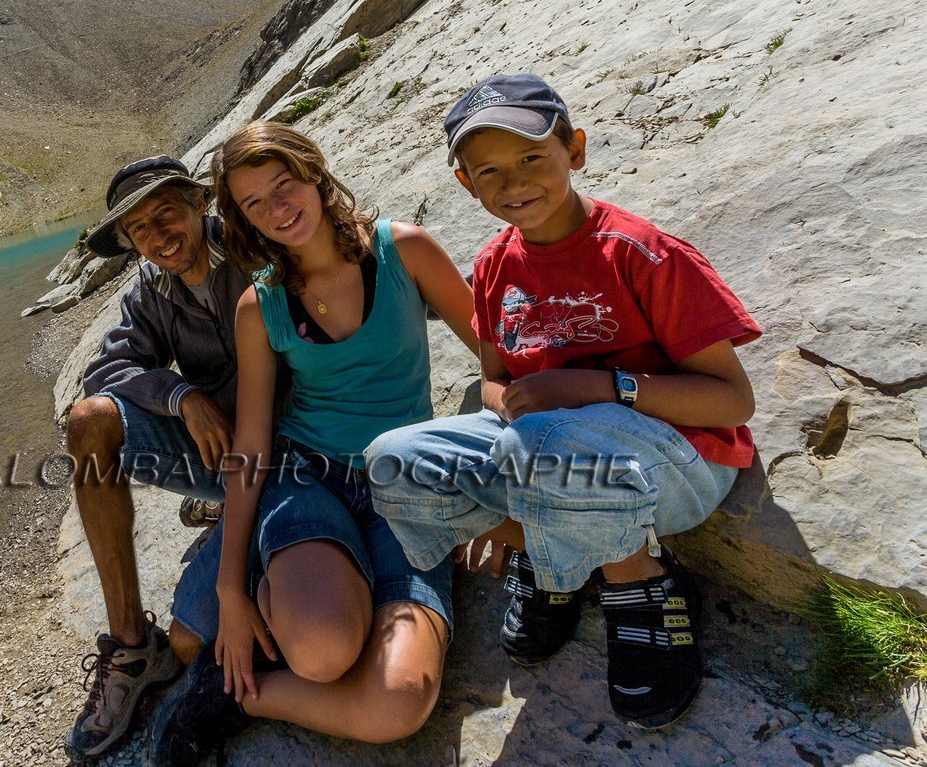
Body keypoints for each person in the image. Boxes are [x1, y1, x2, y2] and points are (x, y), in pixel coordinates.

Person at [365, 73, 760, 730]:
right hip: (550, 463)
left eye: (531, 157)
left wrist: (598, 388)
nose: (513, 183)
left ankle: (638, 579)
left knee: (544, 443)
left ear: (574, 150)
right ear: (466, 184)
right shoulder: (494, 266)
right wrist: (512, 409)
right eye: (488, 171)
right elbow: (494, 380)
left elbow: (732, 403)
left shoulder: (639, 253)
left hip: (675, 465)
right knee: (394, 461)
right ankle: (557, 553)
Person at [151, 122, 478, 765]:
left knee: (398, 703)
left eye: (284, 185)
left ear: (314, 172)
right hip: (305, 478)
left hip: (406, 482)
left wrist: (493, 485)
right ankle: (277, 593)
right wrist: (230, 590)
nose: (277, 209)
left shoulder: (405, 251)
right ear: (241, 219)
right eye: (254, 203)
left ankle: (242, 697)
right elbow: (251, 447)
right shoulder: (261, 305)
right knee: (323, 654)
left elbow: (496, 361)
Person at [65, 155, 279, 760]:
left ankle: (243, 524)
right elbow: (107, 369)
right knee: (90, 423)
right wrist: (182, 396)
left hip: (293, 455)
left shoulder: (256, 246)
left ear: (200, 202)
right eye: (139, 229)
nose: (158, 236)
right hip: (224, 454)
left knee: (193, 639)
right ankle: (133, 645)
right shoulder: (150, 291)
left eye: (167, 214)